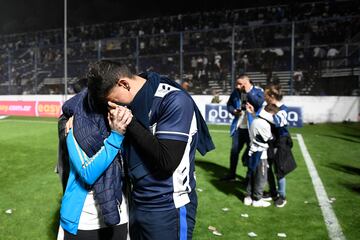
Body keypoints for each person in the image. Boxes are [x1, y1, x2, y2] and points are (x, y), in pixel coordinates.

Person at [86, 60, 215, 240]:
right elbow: (84, 103)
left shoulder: (173, 100)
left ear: (124, 84)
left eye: (113, 100)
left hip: (169, 207)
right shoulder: (130, 99)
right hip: (136, 201)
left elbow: (167, 161)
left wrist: (130, 123)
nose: (112, 106)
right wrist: (67, 117)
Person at [57, 85, 132, 240]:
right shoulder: (75, 127)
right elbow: (87, 173)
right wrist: (116, 137)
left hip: (119, 215)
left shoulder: (125, 124)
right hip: (83, 220)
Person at [221, 74, 264, 181]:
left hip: (252, 129)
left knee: (250, 154)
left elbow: (258, 103)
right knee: (234, 152)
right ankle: (232, 175)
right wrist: (233, 111)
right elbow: (229, 104)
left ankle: (248, 178)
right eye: (237, 83)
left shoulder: (258, 91)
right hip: (239, 128)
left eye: (240, 84)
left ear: (246, 83)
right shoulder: (236, 92)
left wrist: (248, 92)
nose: (237, 86)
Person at [262, 83, 297, 207]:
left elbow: (279, 122)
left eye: (265, 94)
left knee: (279, 169)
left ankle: (282, 196)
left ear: (271, 95)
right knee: (267, 167)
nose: (263, 97)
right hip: (270, 141)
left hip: (281, 142)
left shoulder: (283, 109)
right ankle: (273, 192)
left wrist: (263, 113)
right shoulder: (266, 106)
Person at [243, 104, 279, 207]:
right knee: (261, 177)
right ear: (271, 113)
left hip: (252, 151)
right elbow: (269, 138)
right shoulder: (265, 124)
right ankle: (257, 199)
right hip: (260, 153)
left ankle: (248, 196)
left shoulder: (255, 121)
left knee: (251, 175)